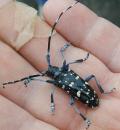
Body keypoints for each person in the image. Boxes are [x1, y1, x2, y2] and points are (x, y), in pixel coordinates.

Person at [0, 0, 120, 130]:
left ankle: (86, 119)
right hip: (89, 98)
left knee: (72, 102)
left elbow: (45, 81)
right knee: (85, 83)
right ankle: (89, 114)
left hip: (91, 98)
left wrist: (32, 78)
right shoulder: (62, 74)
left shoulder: (56, 82)